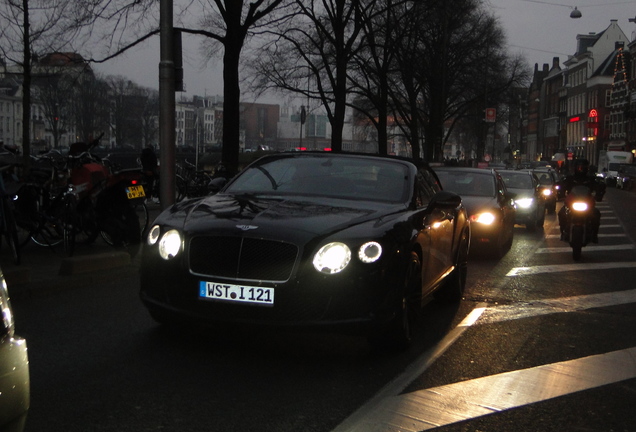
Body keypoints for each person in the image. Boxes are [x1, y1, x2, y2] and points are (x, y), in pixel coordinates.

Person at [558, 159, 603, 243]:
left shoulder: (591, 179)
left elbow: (600, 185)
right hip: (572, 203)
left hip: (587, 204)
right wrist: (561, 194)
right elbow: (561, 185)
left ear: (587, 168)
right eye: (578, 167)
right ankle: (563, 232)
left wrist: (599, 195)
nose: (580, 169)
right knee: (562, 213)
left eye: (582, 167)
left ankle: (594, 235)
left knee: (596, 214)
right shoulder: (570, 178)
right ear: (575, 168)